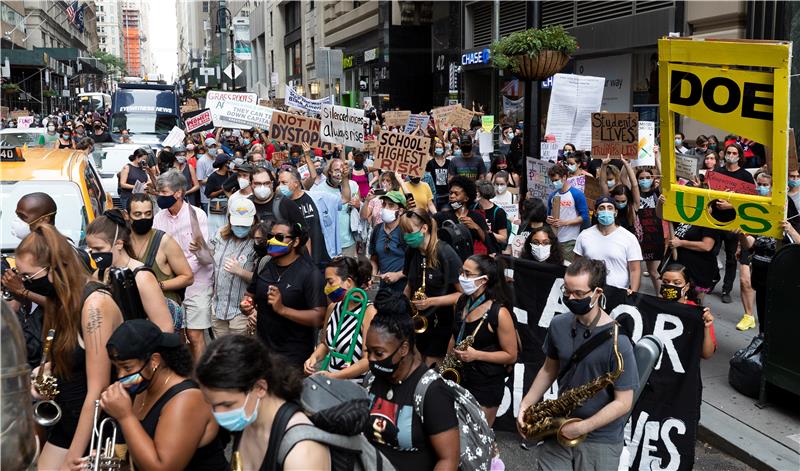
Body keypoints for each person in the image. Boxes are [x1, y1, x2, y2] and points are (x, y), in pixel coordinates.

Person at [517, 258, 638, 471]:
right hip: (560, 425)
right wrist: (525, 404)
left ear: (597, 293)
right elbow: (549, 369)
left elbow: (623, 403)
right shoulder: (558, 324)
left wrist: (582, 427)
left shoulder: (620, 343)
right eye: (567, 291)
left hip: (600, 438)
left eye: (579, 294)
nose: (571, 298)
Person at [19, 225, 123, 469]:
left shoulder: (95, 305)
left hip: (94, 425)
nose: (24, 283)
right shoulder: (61, 300)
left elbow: (97, 390)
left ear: (53, 269)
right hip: (68, 417)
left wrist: (71, 459)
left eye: (28, 277)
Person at [98, 320, 228, 470]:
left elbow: (163, 467)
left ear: (154, 361)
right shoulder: (143, 389)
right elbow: (140, 448)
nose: (121, 375)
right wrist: (111, 459)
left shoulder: (187, 399)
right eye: (117, 368)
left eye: (127, 368)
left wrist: (125, 416)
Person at [196, 335, 331, 470]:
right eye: (212, 405)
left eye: (227, 405)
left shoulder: (302, 453)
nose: (218, 414)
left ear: (260, 388)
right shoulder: (249, 418)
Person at [365, 291, 460, 471]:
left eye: (379, 353)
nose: (372, 359)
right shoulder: (372, 380)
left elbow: (448, 460)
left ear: (403, 349)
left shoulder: (432, 391)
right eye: (367, 352)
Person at [240, 221, 326, 367]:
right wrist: (247, 306)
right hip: (262, 352)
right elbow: (250, 294)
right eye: (270, 236)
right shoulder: (264, 265)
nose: (273, 241)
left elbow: (319, 317)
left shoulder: (310, 274)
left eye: (279, 237)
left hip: (293, 357)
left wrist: (282, 310)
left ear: (295, 241)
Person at [447, 255, 518, 425]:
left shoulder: (499, 313)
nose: (461, 277)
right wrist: (446, 363)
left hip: (486, 384)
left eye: (467, 273)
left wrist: (476, 355)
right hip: (459, 377)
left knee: (478, 437)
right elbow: (454, 335)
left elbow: (511, 355)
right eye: (461, 272)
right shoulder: (461, 302)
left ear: (483, 280)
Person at [153, 170, 213, 360]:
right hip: (170, 285)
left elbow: (200, 253)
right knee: (175, 334)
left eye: (163, 193)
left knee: (195, 335)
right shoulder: (159, 217)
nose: (160, 197)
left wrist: (181, 274)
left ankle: (199, 379)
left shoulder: (198, 216)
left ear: (178, 193)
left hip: (197, 284)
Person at [85, 210, 174, 332]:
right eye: (91, 249)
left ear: (119, 244)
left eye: (98, 248)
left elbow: (165, 327)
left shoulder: (141, 277)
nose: (94, 254)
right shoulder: (99, 274)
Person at [400, 208, 463, 365]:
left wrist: (431, 302)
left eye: (409, 231)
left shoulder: (445, 253)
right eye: (404, 232)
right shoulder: (411, 251)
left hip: (441, 321)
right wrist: (402, 306)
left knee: (431, 363)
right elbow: (409, 284)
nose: (406, 236)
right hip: (417, 320)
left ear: (424, 228)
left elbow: (462, 294)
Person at [304, 256, 377, 380]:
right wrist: (313, 358)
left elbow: (368, 360)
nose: (326, 287)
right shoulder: (332, 308)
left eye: (330, 282)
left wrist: (335, 376)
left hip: (355, 387)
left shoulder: (369, 312)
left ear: (348, 282)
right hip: (332, 384)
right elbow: (325, 344)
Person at [127, 194, 194, 308]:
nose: (143, 217)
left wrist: (157, 286)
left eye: (148, 213)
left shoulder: (165, 242)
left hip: (164, 310)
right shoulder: (122, 242)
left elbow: (188, 277)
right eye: (137, 214)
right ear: (127, 215)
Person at [711, 142, 755, 304]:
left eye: (734, 153)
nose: (731, 155)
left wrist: (731, 205)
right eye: (728, 152)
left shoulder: (745, 177)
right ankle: (713, 278)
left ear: (739, 156)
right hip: (715, 221)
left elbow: (750, 202)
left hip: (733, 223)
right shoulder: (717, 173)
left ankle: (726, 289)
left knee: (730, 258)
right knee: (711, 253)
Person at [735, 174, 778, 333]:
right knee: (745, 280)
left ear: (772, 186)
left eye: (765, 184)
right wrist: (741, 242)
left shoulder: (781, 203)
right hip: (752, 244)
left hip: (771, 251)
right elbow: (745, 226)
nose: (761, 187)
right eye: (758, 184)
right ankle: (748, 316)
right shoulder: (750, 202)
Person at [210, 198, 257, 337]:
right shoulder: (220, 234)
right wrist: (199, 251)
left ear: (253, 221)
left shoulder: (256, 242)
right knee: (222, 353)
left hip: (241, 311)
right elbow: (209, 259)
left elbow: (261, 280)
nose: (240, 228)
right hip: (218, 309)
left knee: (241, 355)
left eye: (244, 225)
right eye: (237, 224)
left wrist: (240, 271)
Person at [574, 196, 642, 291]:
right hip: (589, 290)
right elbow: (577, 264)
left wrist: (633, 293)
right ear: (596, 212)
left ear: (615, 212)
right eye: (602, 208)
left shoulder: (629, 238)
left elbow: (635, 270)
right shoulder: (584, 235)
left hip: (617, 292)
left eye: (610, 208)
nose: (606, 211)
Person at [664, 194, 721, 303]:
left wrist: (681, 243)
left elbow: (707, 246)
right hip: (681, 266)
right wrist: (662, 203)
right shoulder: (686, 217)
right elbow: (663, 214)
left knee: (693, 303)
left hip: (699, 270)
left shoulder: (709, 222)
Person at [278, 167, 333, 268]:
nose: (280, 186)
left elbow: (344, 199)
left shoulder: (316, 198)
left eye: (284, 183)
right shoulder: (281, 205)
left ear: (296, 183)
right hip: (300, 263)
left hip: (324, 258)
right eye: (279, 183)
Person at [659, 264, 716, 358]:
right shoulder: (654, 306)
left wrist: (706, 328)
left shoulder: (697, 313)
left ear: (687, 286)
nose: (670, 286)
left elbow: (707, 354)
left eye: (676, 283)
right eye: (666, 282)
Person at [312, 158, 358, 257]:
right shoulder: (319, 190)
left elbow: (359, 207)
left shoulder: (353, 185)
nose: (340, 173)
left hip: (348, 242)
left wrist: (357, 204)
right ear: (329, 171)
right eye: (337, 170)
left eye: (343, 170)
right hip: (328, 243)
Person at [435, 176, 492, 255]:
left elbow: (488, 242)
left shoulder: (477, 217)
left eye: (456, 194)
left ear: (466, 198)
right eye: (451, 193)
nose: (452, 196)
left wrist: (476, 227)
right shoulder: (440, 216)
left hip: (469, 261)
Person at [546, 165, 589, 262]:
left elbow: (584, 217)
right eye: (552, 181)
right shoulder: (552, 195)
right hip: (555, 240)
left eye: (556, 180)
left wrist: (565, 222)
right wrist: (548, 220)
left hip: (571, 239)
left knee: (567, 267)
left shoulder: (577, 194)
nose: (555, 183)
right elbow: (548, 215)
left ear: (564, 177)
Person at [369, 191, 408, 294]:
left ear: (400, 211)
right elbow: (374, 258)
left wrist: (398, 275)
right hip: (384, 290)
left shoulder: (406, 231)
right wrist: (372, 276)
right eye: (384, 204)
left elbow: (416, 263)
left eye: (391, 205)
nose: (386, 208)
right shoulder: (377, 230)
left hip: (405, 289)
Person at [634, 166, 664, 292]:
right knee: (635, 271)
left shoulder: (657, 193)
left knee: (654, 272)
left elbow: (664, 177)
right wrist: (627, 163)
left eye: (648, 177)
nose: (645, 180)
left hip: (655, 237)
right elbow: (625, 178)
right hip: (638, 237)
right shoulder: (633, 194)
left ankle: (661, 298)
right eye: (641, 178)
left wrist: (657, 157)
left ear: (653, 179)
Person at [475, 180, 510, 250]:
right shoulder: (473, 208)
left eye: (475, 192)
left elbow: (503, 238)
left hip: (491, 252)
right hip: (476, 250)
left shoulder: (499, 212)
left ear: (479, 194)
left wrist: (485, 232)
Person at [204, 153, 232, 237]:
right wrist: (221, 190)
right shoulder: (213, 177)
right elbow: (208, 194)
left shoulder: (230, 175)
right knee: (216, 227)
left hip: (228, 204)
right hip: (217, 206)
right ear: (224, 164)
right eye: (228, 162)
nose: (230, 164)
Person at [426, 140, 452, 210]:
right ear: (434, 149)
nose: (438, 149)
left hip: (447, 193)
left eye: (440, 147)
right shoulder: (430, 163)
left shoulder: (449, 162)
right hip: (435, 194)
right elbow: (427, 178)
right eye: (437, 147)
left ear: (443, 149)